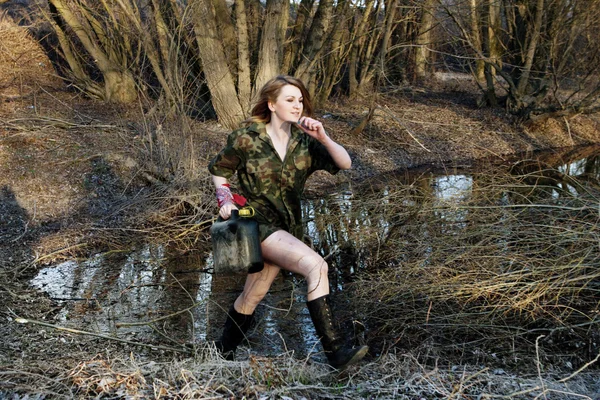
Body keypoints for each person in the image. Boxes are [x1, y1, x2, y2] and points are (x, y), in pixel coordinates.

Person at [208, 75, 368, 369]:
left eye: (300, 100)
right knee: (316, 265)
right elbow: (220, 170)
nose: (297, 106)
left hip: (288, 226)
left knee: (252, 294)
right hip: (255, 224)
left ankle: (221, 355)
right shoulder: (247, 137)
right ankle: (336, 353)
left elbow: (345, 163)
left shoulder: (305, 142)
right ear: (271, 104)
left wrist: (323, 137)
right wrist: (224, 199)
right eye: (289, 100)